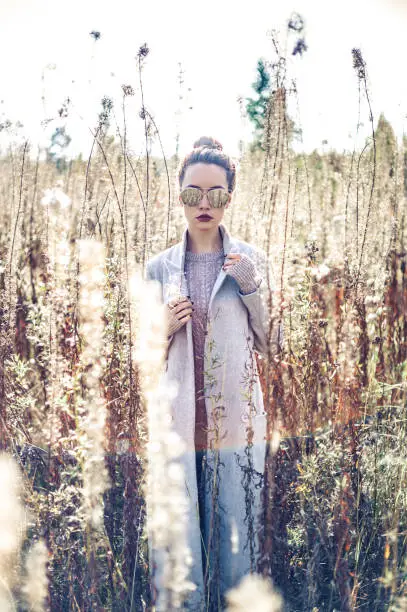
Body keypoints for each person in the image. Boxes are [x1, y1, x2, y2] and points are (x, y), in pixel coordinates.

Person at [145, 136, 284, 611]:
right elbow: (137, 359)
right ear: (178, 194)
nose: (204, 205)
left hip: (236, 425)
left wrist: (250, 289)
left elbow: (275, 342)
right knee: (179, 544)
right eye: (192, 193)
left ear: (230, 195)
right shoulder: (157, 269)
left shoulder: (250, 261)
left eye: (216, 194)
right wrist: (161, 328)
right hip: (179, 424)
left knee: (234, 539)